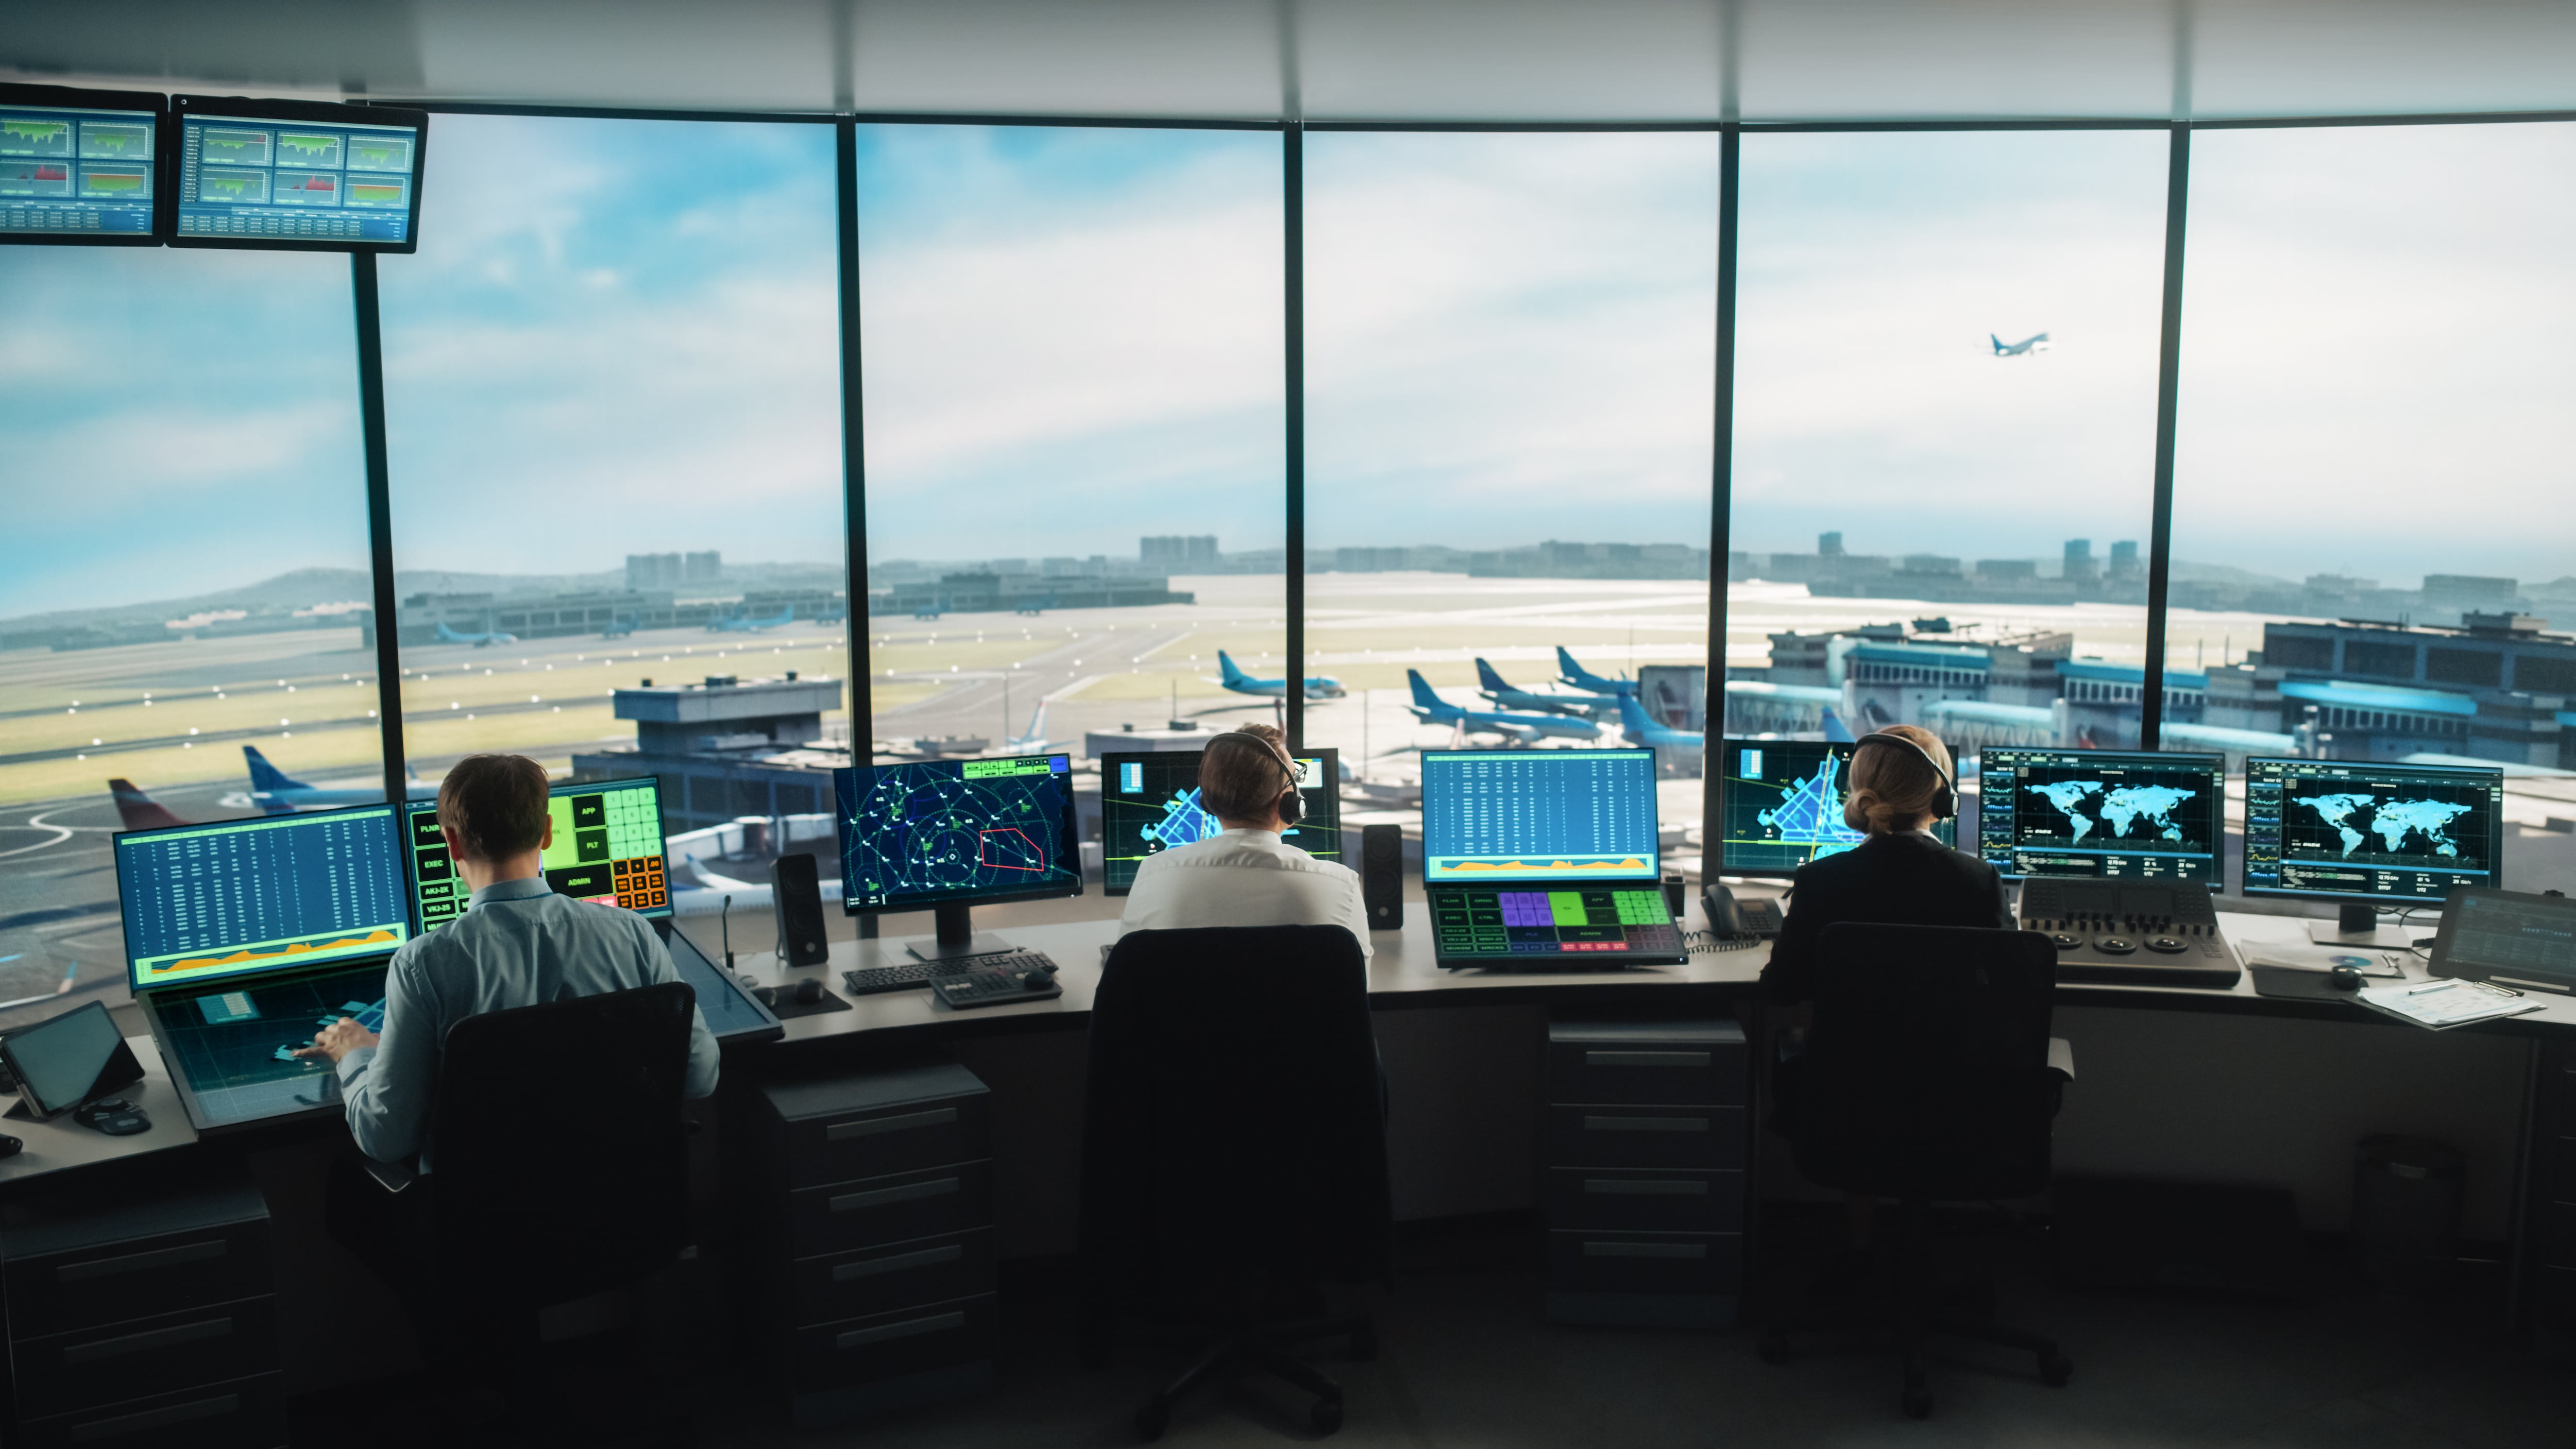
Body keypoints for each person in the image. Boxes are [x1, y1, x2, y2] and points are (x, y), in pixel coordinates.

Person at [298, 753, 720, 1162]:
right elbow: (701, 1077)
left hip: (490, 1223)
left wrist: (354, 1054)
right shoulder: (632, 934)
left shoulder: (423, 964)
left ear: (452, 841)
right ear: (548, 832)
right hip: (623, 1209)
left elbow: (385, 1138)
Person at [1757, 723, 2010, 1007]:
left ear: (1857, 790)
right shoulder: (1980, 881)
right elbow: (2012, 985)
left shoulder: (1818, 881)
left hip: (1848, 1051)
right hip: (1952, 1050)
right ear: (1943, 801)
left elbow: (1779, 989)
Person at [1117, 723, 1372, 958]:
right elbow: (1358, 989)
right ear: (1288, 803)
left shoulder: (1154, 875)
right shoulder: (1341, 886)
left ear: (1208, 802)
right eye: (1296, 779)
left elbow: (1128, 977)